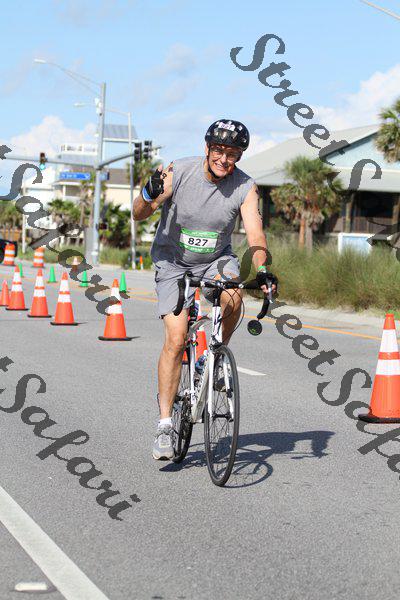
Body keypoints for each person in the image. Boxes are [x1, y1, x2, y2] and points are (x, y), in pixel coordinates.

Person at [132, 119, 277, 460]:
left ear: (239, 156)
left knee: (234, 295)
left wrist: (263, 270)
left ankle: (212, 358)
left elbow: (255, 235)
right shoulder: (178, 172)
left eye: (233, 154)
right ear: (207, 148)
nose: (224, 159)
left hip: (216, 260)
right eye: (219, 151)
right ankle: (165, 425)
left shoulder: (245, 186)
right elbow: (139, 214)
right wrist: (148, 193)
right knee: (176, 338)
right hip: (173, 262)